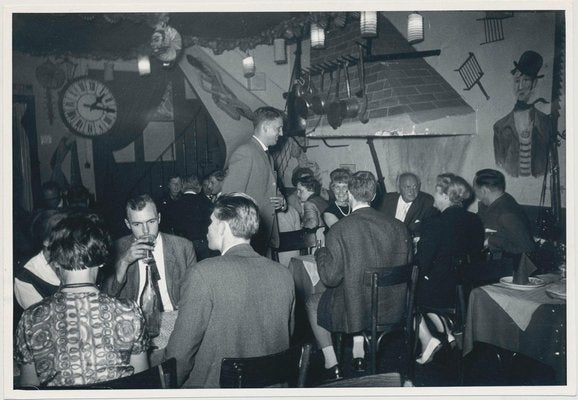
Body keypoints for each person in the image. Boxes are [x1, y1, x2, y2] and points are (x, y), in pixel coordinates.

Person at [152, 194, 295, 388]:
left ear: (222, 227)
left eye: (211, 222)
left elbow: (180, 357)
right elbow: (285, 337)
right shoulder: (284, 274)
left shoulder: (202, 274)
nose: (208, 228)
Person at [15, 214, 149, 387]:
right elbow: (143, 383)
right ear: (101, 260)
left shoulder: (31, 318)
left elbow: (29, 389)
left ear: (55, 261)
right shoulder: (129, 312)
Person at [306, 171, 412, 377]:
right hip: (395, 306)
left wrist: (320, 253)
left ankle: (332, 363)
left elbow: (330, 278)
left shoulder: (340, 229)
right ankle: (358, 348)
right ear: (373, 196)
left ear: (350, 195)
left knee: (312, 302)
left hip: (357, 309)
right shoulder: (399, 227)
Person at [414, 174, 484, 364]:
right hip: (465, 287)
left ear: (445, 196)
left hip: (441, 289)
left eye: (436, 192)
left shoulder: (434, 221)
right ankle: (449, 333)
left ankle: (427, 340)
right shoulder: (474, 220)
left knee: (405, 291)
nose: (434, 197)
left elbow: (423, 260)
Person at [103, 194, 197, 321]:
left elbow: (195, 294)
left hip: (174, 316)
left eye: (151, 222)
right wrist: (124, 262)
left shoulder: (183, 247)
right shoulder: (116, 249)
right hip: (132, 320)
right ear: (128, 224)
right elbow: (107, 298)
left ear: (159, 218)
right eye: (137, 224)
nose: (146, 231)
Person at [220, 106, 287, 256]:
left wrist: (282, 201)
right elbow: (229, 198)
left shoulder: (267, 155)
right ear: (265, 127)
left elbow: (271, 189)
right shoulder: (246, 152)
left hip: (263, 237)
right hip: (250, 238)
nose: (281, 133)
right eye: (279, 128)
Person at [467, 169, 535, 282]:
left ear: (484, 190)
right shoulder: (493, 204)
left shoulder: (506, 213)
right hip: (494, 265)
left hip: (506, 272)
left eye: (476, 190)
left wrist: (491, 241)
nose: (476, 194)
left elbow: (527, 248)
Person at [493, 50, 551, 178]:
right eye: (517, 80)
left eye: (525, 80)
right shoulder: (499, 127)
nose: (520, 86)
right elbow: (499, 164)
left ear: (534, 83)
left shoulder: (546, 122)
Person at [14, 211, 69, 310]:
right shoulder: (26, 277)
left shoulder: (78, 261)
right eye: (63, 237)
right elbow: (42, 320)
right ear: (46, 241)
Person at [376, 172, 437, 237]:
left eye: (415, 187)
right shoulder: (386, 200)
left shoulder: (426, 202)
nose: (412, 191)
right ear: (398, 188)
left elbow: (429, 231)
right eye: (407, 187)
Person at [171, 174, 213, 260]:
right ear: (199, 187)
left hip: (182, 242)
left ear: (182, 187)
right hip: (202, 243)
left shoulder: (175, 203)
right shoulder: (206, 202)